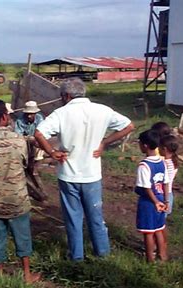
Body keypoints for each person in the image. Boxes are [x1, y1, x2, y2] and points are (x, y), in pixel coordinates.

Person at [34, 77, 134, 261]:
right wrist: (105, 142)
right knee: (95, 215)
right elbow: (129, 126)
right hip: (92, 174)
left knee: (73, 218)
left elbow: (39, 133)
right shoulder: (102, 110)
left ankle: (77, 256)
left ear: (66, 95)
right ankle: (102, 254)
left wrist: (52, 152)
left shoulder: (61, 113)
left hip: (68, 174)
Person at [0, 99, 41, 283]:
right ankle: (27, 274)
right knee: (22, 235)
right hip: (17, 198)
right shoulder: (19, 140)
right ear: (5, 116)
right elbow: (26, 164)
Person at [135, 129, 170, 263]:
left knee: (148, 232)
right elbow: (166, 183)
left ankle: (150, 259)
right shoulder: (162, 162)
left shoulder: (144, 165)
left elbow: (146, 187)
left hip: (149, 202)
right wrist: (166, 201)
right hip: (161, 198)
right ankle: (163, 255)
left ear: (144, 145)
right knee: (159, 229)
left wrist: (155, 202)